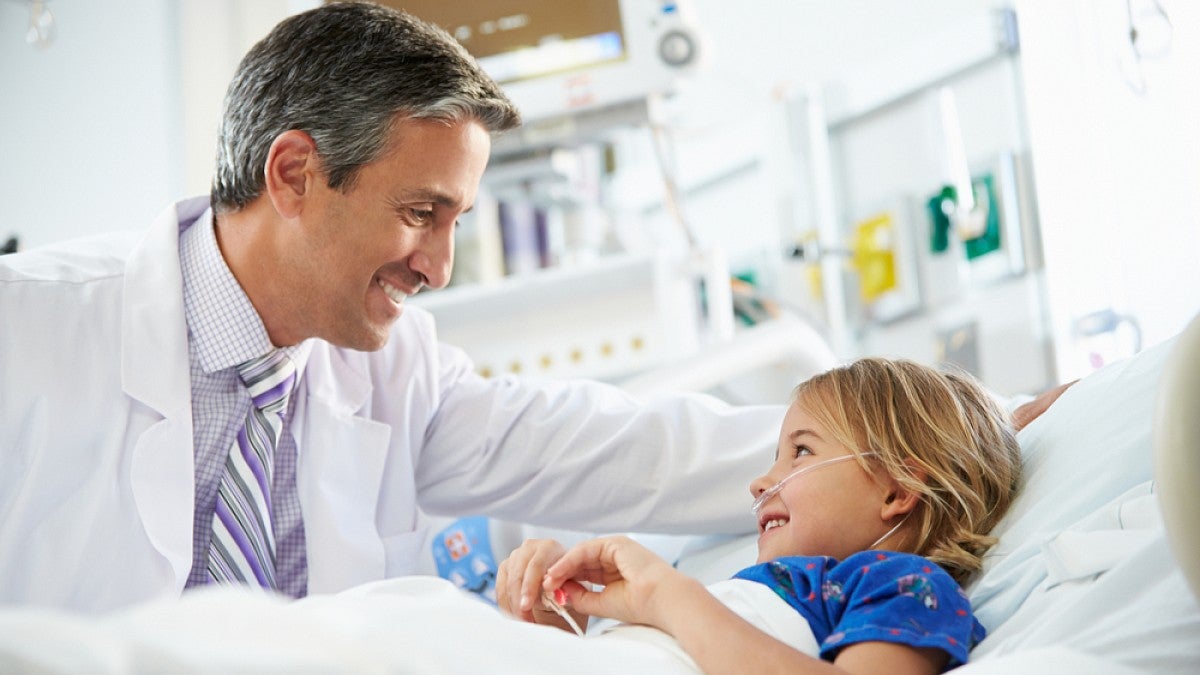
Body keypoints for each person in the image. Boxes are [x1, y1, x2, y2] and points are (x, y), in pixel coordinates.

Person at [0, 1, 786, 612]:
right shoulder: (26, 329)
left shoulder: (397, 373)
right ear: (295, 173)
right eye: (421, 213)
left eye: (455, 224)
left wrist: (863, 456)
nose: (439, 268)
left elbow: (619, 450)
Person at [498, 358, 1023, 674]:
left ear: (898, 489)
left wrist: (665, 594)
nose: (760, 482)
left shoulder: (905, 587)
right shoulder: (750, 587)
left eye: (800, 452)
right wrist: (555, 621)